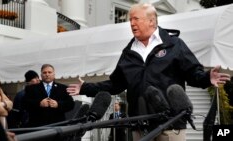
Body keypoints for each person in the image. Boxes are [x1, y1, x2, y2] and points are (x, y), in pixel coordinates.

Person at [67, 2, 231, 141]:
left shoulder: (174, 45)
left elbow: (193, 74)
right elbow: (115, 84)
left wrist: (207, 78)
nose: (131, 23)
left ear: (152, 21)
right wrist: (86, 87)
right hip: (139, 125)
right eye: (130, 19)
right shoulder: (128, 52)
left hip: (171, 125)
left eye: (136, 19)